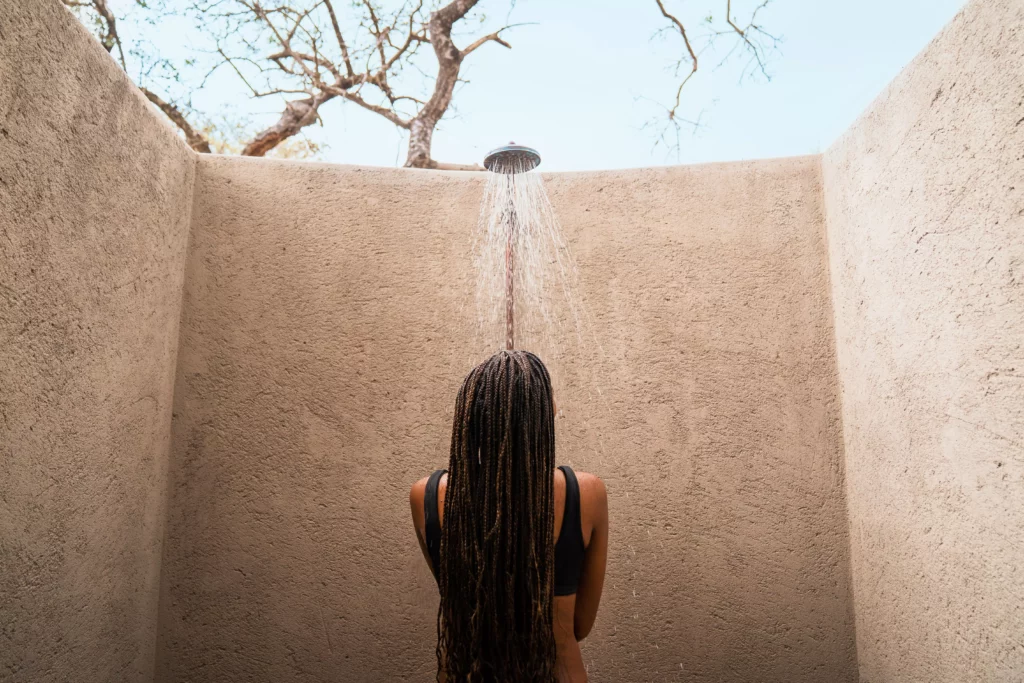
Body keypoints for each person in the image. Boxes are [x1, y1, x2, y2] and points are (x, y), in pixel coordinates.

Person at [410, 350, 609, 682]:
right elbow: (581, 625)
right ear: (542, 416)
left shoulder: (427, 496)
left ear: (472, 418)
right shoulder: (585, 494)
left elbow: (456, 593)